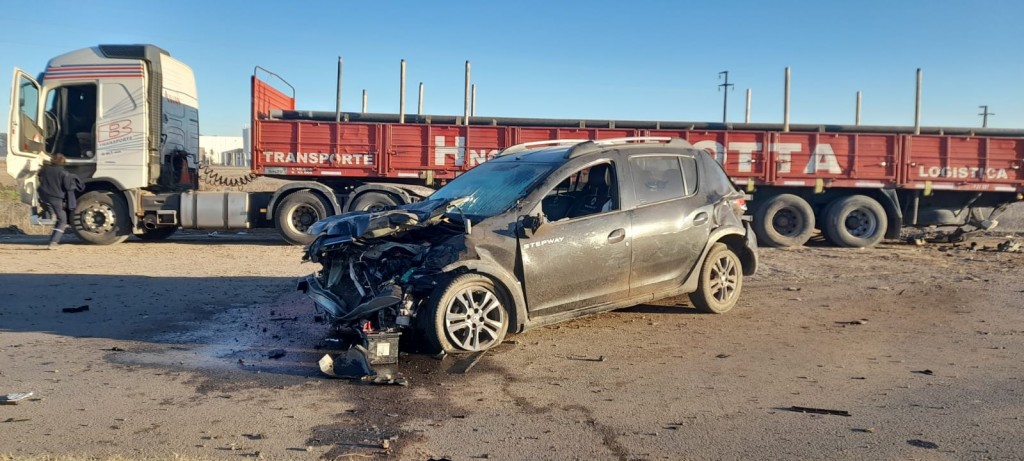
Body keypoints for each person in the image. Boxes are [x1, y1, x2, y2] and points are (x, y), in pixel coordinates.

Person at [37, 154, 84, 249]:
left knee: (55, 214)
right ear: (63, 162)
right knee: (62, 220)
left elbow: (40, 177)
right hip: (56, 198)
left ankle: (49, 213)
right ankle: (53, 242)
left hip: (43, 197)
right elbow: (68, 187)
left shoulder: (44, 170)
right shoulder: (63, 173)